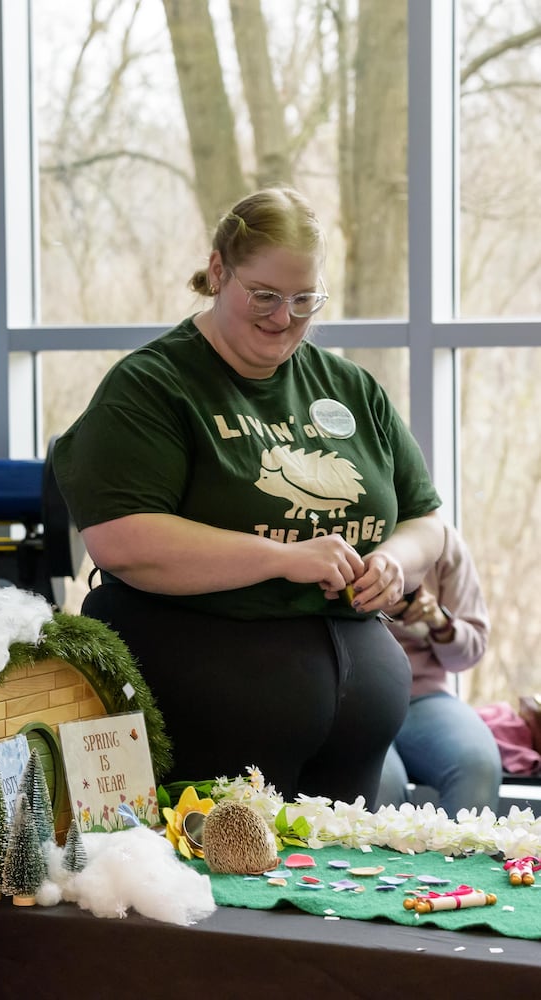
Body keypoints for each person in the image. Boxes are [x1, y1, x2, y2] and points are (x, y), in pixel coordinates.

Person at [51, 187, 445, 806]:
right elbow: (123, 540)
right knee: (229, 897)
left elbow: (426, 518)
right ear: (217, 272)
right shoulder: (153, 385)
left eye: (304, 299)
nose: (283, 316)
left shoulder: (348, 387)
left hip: (354, 728)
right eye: (263, 295)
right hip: (206, 707)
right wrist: (282, 557)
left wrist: (397, 560)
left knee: (341, 894)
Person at [376, 521, 500, 813]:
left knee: (479, 765)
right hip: (355, 701)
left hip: (424, 696)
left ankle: (465, 858)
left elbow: (469, 654)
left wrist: (441, 624)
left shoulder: (441, 539)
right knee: (381, 786)